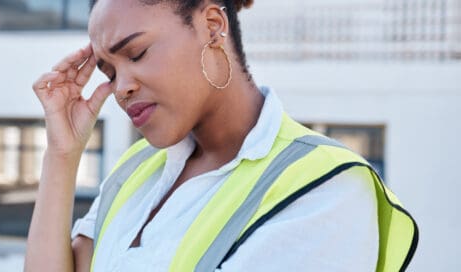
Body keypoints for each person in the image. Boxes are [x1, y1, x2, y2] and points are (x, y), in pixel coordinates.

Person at [25, 0, 418, 271]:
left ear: (212, 25)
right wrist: (62, 154)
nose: (121, 87)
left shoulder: (328, 189)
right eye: (108, 73)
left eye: (137, 53)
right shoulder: (137, 169)